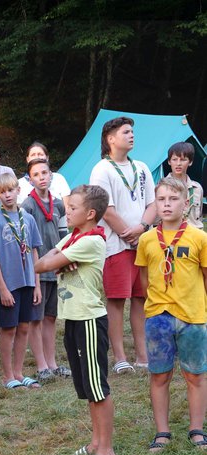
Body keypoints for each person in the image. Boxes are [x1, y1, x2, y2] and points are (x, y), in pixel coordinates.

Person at [35, 184, 117, 455]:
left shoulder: (91, 241)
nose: (66, 212)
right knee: (85, 385)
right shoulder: (73, 237)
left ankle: (106, 451)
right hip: (73, 319)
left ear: (90, 213)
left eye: (72, 208)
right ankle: (95, 442)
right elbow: (44, 260)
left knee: (98, 387)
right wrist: (57, 262)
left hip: (90, 320)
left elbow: (43, 265)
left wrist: (55, 263)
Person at [134, 177, 207, 452]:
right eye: (161, 199)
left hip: (192, 317)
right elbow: (144, 279)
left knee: (196, 375)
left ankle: (196, 429)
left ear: (186, 204)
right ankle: (162, 432)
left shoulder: (199, 238)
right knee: (159, 375)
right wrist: (155, 307)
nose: (166, 204)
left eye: (173, 199)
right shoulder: (147, 240)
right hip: (158, 316)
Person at [89, 116, 157, 373]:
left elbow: (152, 204)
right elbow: (105, 209)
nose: (131, 135)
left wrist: (142, 229)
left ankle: (142, 355)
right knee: (117, 300)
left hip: (142, 244)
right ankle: (119, 357)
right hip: (115, 247)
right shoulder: (102, 169)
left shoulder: (141, 167)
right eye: (126, 132)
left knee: (141, 299)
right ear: (111, 139)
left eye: (132, 132)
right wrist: (129, 234)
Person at [0, 173, 43, 390]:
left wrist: (37, 283)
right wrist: (1, 288)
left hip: (28, 281)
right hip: (7, 284)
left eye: (10, 190)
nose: (7, 195)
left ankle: (19, 373)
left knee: (24, 327)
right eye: (2, 192)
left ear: (18, 190)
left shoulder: (27, 218)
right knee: (8, 329)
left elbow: (35, 251)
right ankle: (7, 375)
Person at [20, 159, 70, 381]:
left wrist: (64, 260)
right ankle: (41, 365)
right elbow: (26, 241)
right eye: (36, 174)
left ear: (51, 175)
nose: (41, 177)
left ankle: (52, 362)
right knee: (36, 319)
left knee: (51, 317)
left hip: (55, 268)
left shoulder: (58, 203)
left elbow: (62, 235)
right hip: (37, 269)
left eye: (44, 173)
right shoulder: (27, 206)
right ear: (30, 179)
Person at [16, 142, 72, 206]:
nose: (37, 157)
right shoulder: (20, 184)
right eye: (33, 155)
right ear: (27, 159)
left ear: (47, 158)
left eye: (40, 154)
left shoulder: (58, 178)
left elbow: (67, 206)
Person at [165, 141, 204, 229]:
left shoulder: (197, 188)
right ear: (169, 161)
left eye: (183, 160)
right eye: (174, 159)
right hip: (172, 236)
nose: (178, 163)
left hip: (194, 237)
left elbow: (199, 217)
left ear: (190, 162)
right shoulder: (162, 188)